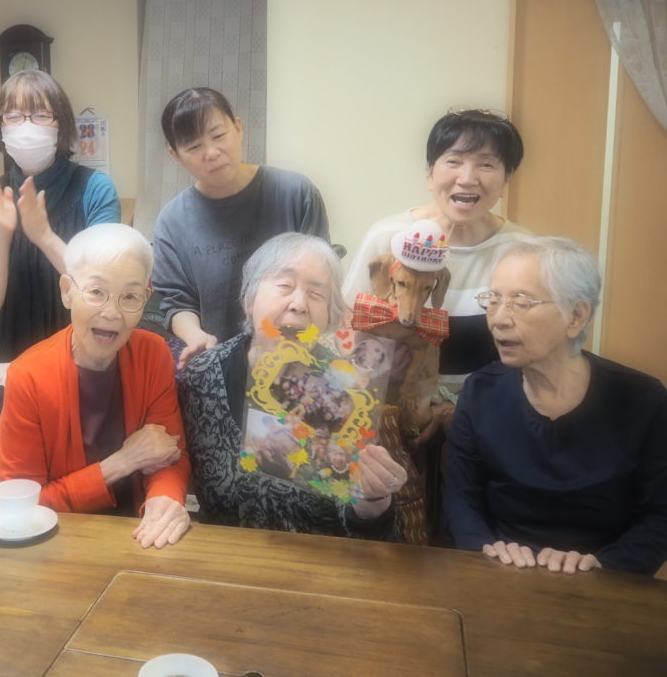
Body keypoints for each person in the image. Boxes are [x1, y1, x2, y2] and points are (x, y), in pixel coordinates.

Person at [444, 237, 667, 576]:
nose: (498, 319)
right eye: (493, 300)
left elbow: (660, 515)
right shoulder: (480, 392)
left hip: (604, 580)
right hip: (501, 572)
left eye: (520, 302)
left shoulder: (643, 400)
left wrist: (603, 566)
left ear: (575, 316)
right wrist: (486, 551)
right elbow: (460, 500)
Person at [178, 232, 407, 537]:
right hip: (226, 553)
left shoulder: (347, 393)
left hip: (315, 559)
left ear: (328, 318)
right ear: (249, 300)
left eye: (316, 294)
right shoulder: (202, 376)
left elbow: (372, 531)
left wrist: (374, 501)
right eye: (284, 286)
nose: (299, 304)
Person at [0, 223, 190, 548]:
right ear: (67, 291)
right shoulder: (29, 375)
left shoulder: (153, 354)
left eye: (130, 296)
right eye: (96, 292)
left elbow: (170, 453)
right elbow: (23, 508)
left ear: (146, 299)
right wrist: (122, 462)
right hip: (43, 540)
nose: (112, 313)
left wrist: (164, 500)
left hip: (133, 535)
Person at [343, 109, 532, 397]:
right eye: (454, 161)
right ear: (430, 174)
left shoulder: (525, 251)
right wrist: (379, 370)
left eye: (486, 164)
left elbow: (533, 345)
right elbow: (346, 325)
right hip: (394, 403)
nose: (467, 178)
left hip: (489, 407)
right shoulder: (387, 239)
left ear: (507, 180)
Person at [152, 88, 329, 370]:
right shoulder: (172, 222)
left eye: (219, 135)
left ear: (238, 129)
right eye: (194, 147)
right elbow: (177, 302)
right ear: (176, 155)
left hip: (297, 361)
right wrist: (196, 336)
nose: (211, 153)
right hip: (222, 368)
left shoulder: (296, 193)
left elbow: (321, 281)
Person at [0, 70, 120, 361]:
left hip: (86, 358)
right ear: (0, 126)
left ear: (60, 123)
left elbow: (105, 290)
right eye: (13, 116)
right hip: (17, 359)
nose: (27, 127)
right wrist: (3, 235)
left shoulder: (95, 189)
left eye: (40, 115)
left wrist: (45, 237)